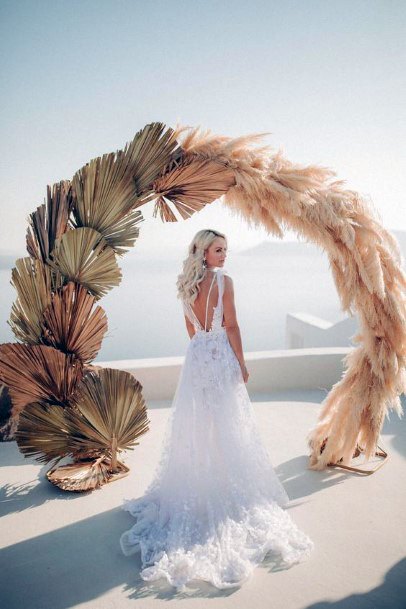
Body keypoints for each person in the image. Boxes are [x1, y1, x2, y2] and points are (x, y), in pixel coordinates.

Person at [119, 229, 314, 591]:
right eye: (218, 250)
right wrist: (240, 362)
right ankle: (222, 484)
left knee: (199, 425)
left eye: (225, 250)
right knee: (227, 424)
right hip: (219, 356)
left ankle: (200, 480)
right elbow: (233, 325)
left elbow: (190, 331)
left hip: (196, 359)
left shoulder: (184, 284)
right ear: (203, 252)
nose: (224, 255)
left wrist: (203, 354)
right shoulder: (224, 282)